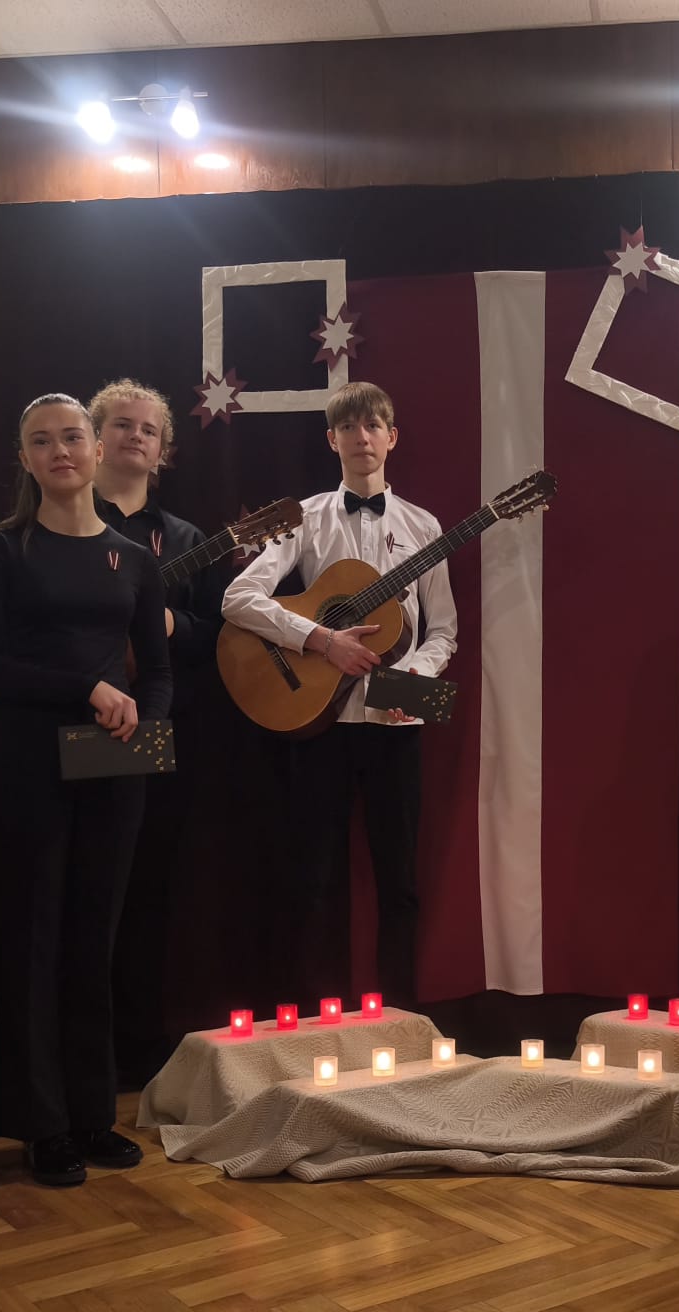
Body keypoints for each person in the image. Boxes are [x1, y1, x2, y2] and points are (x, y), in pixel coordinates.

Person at [0, 393, 172, 1187]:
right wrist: (85, 688)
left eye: (72, 436)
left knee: (93, 940)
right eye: (42, 441)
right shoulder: (1, 548)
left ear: (95, 449)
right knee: (33, 941)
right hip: (23, 767)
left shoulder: (136, 559)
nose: (60, 451)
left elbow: (157, 672)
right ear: (25, 459)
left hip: (112, 768)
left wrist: (145, 727)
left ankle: (91, 1115)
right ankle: (40, 1124)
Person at [221, 380, 456, 1008]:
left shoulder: (425, 526)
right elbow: (238, 598)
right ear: (331, 440)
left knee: (399, 883)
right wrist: (320, 640)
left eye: (372, 425)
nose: (361, 437)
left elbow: (444, 631)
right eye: (348, 427)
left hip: (394, 725)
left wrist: (415, 678)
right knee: (310, 879)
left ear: (391, 437)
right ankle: (306, 1019)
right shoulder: (305, 516)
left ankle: (401, 1017)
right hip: (315, 720)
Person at [87, 379, 222, 1085]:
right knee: (80, 891)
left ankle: (136, 1055)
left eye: (148, 429)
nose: (135, 436)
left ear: (162, 450)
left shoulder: (189, 540)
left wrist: (170, 623)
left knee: (147, 893)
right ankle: (75, 1055)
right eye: (121, 424)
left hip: (157, 730)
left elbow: (214, 633)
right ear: (94, 438)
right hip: (70, 724)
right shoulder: (61, 520)